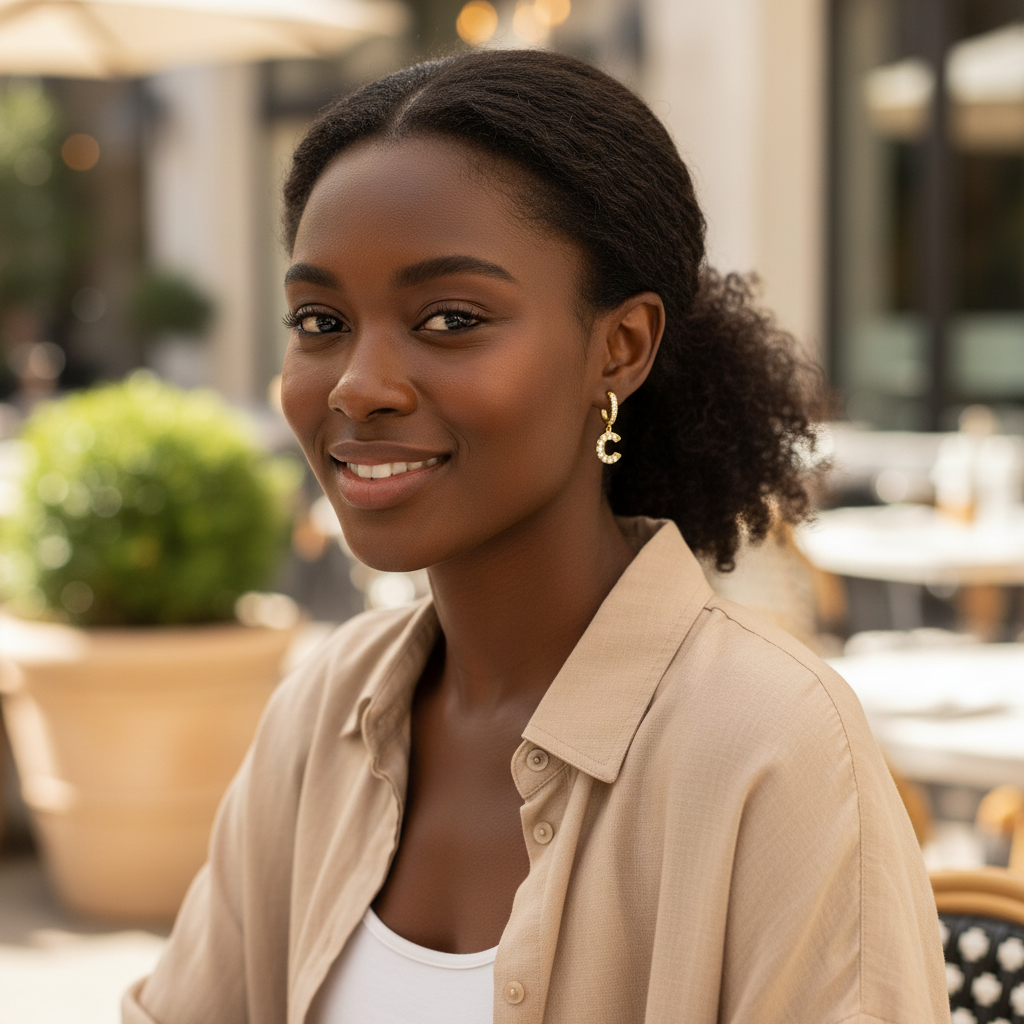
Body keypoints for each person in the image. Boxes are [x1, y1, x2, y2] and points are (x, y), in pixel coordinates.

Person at [124, 48, 947, 1024]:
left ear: (621, 347)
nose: (356, 384)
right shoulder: (325, 711)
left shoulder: (770, 743)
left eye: (450, 317)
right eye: (320, 318)